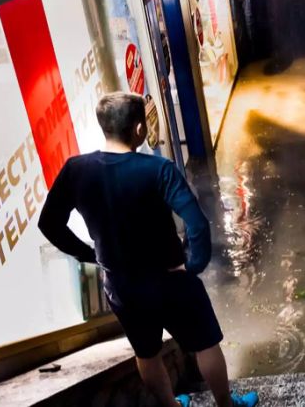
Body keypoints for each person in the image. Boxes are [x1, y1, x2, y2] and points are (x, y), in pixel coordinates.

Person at [38, 93, 258, 407]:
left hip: (122, 285)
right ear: (140, 128)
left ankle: (171, 405)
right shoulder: (158, 169)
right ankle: (226, 405)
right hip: (170, 278)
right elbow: (196, 223)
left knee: (146, 351)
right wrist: (193, 265)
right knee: (205, 343)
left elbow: (49, 223)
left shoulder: (76, 170)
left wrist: (89, 254)